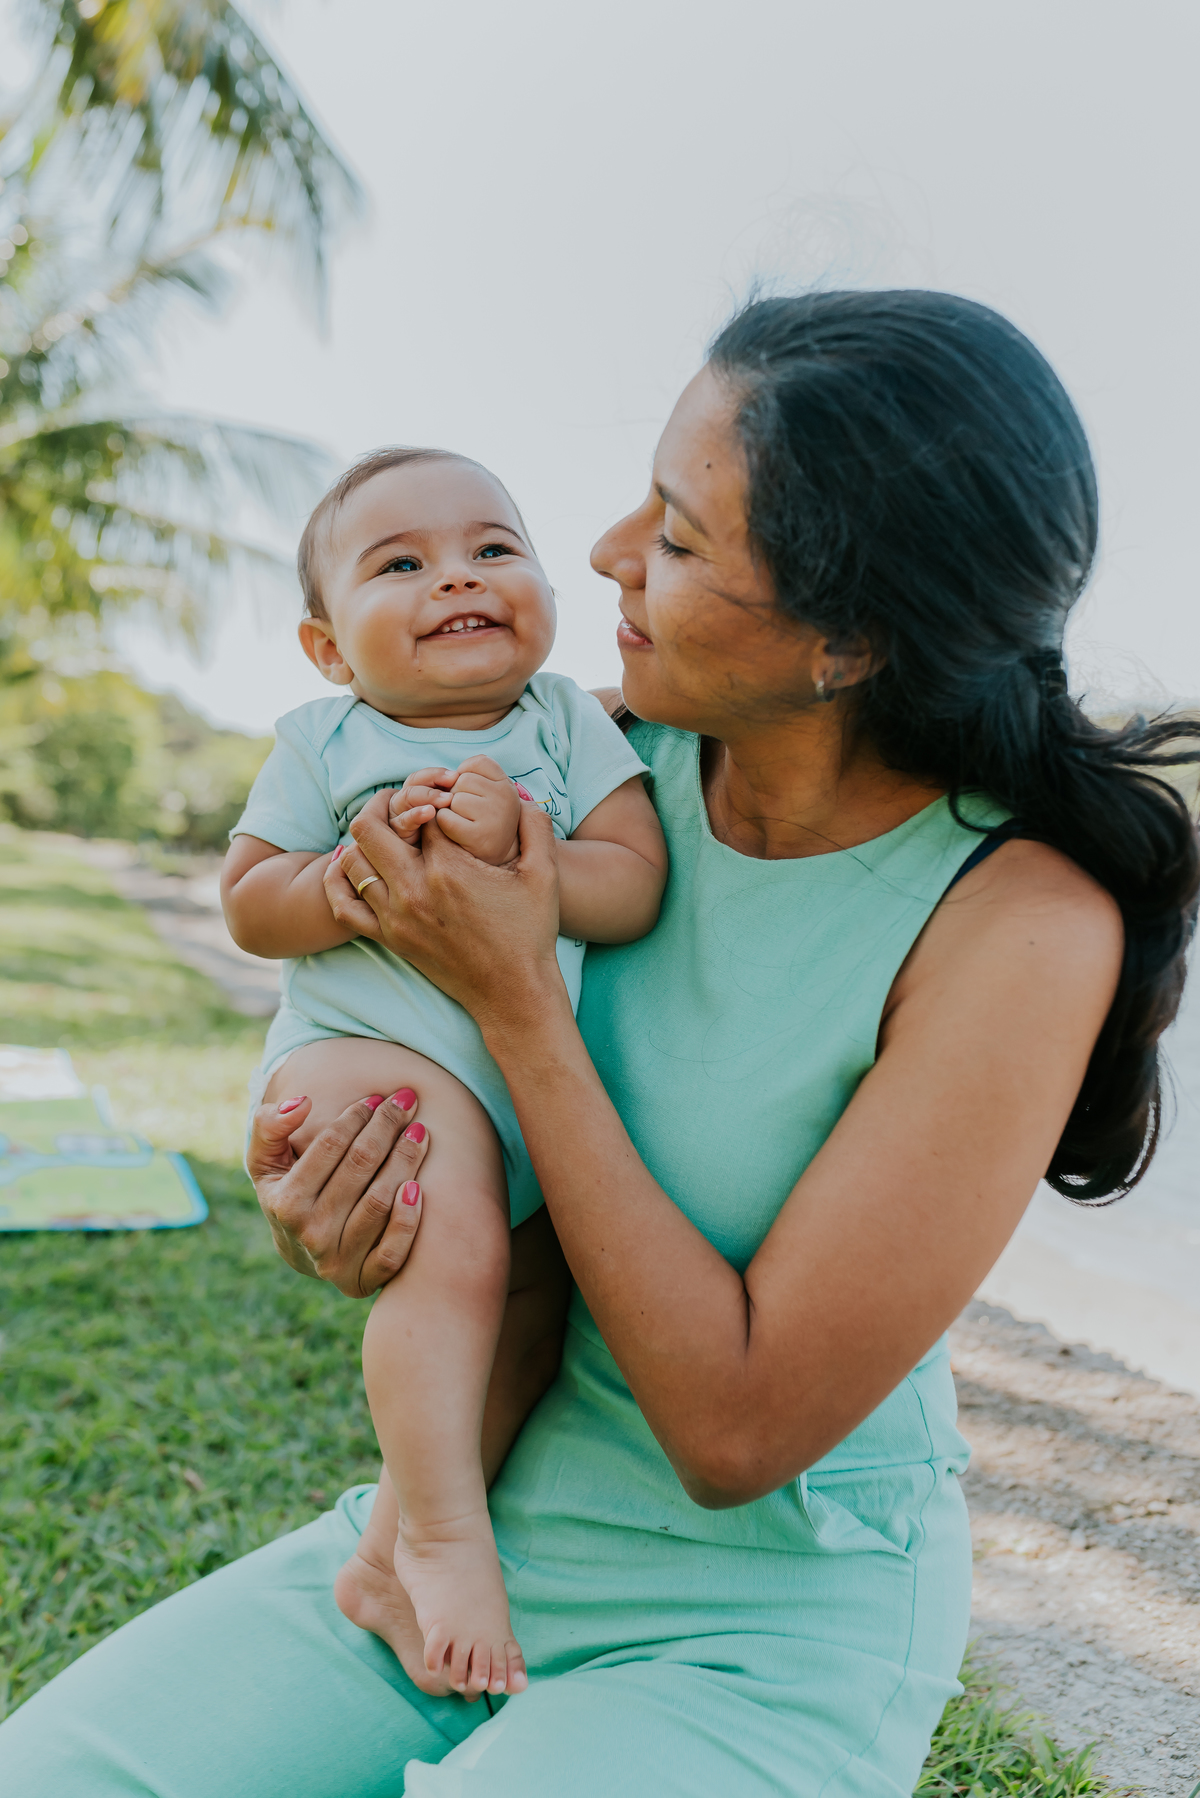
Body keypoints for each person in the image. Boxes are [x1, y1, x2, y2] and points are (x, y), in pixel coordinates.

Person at [3, 289, 1197, 1798]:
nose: (610, 550)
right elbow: (449, 1119)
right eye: (643, 496)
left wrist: (513, 997)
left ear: (848, 636)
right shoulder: (592, 759)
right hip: (455, 1540)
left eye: (683, 537)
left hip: (755, 1624)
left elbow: (737, 1425)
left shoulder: (1019, 919)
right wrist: (353, 1203)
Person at [219, 446, 666, 1697]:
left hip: (515, 1086)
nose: (456, 577)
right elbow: (251, 902)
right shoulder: (325, 738)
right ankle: (440, 1534)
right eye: (401, 563)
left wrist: (533, 855)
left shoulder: (570, 723)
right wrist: (346, 886)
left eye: (492, 547)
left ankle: (377, 1561)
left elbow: (632, 884)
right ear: (326, 646)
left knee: (528, 1308)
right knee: (459, 1254)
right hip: (372, 1052)